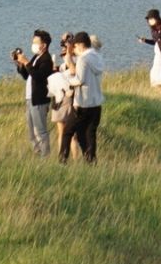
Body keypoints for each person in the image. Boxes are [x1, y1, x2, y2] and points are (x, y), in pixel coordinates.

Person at [60, 32, 104, 164]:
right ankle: (91, 161)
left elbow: (79, 80)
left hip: (83, 104)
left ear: (80, 45)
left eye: (74, 47)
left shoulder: (83, 59)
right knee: (88, 134)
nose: (73, 50)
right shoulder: (97, 56)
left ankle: (62, 161)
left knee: (67, 131)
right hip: (96, 103)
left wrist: (66, 80)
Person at [14, 30, 54, 156]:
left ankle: (45, 156)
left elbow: (38, 76)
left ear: (44, 45)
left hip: (39, 100)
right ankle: (37, 153)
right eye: (33, 42)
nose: (33, 44)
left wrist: (26, 62)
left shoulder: (46, 59)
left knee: (40, 131)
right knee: (31, 131)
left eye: (36, 42)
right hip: (29, 98)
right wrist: (20, 64)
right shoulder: (36, 57)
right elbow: (28, 75)